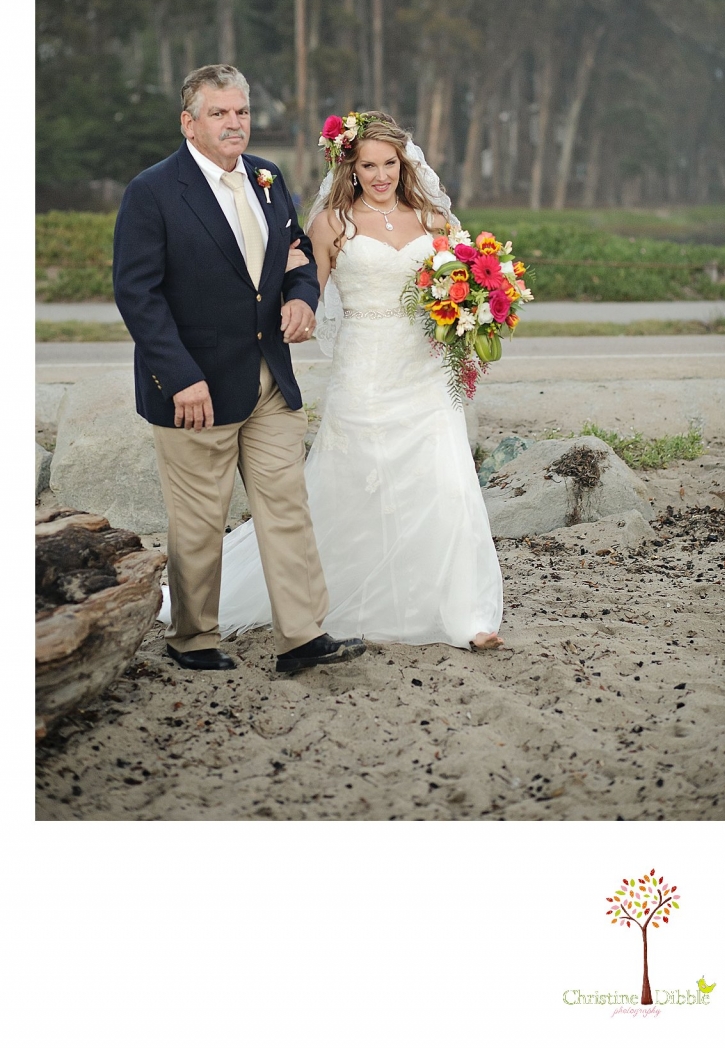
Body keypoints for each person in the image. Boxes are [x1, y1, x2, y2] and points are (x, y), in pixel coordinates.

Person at [170, 109, 504, 650]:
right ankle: (338, 604)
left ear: (404, 163)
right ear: (350, 166)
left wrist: (480, 315)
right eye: (368, 164)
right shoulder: (332, 223)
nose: (380, 175)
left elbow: (459, 284)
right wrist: (286, 314)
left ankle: (465, 614)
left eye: (389, 163)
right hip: (365, 370)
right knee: (358, 485)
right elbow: (306, 285)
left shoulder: (434, 221)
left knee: (444, 484)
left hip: (424, 371)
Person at [113, 63, 366, 674]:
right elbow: (137, 294)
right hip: (192, 389)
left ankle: (302, 637)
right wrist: (179, 376)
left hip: (269, 380)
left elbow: (298, 256)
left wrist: (304, 296)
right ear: (189, 122)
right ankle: (192, 639)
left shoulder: (269, 178)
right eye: (219, 113)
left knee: (287, 507)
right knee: (199, 523)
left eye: (241, 112)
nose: (234, 124)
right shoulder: (152, 191)